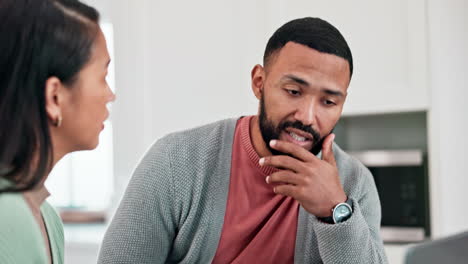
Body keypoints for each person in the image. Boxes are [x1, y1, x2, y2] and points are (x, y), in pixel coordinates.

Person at [99, 17, 387, 263]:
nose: (308, 117)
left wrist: (335, 211)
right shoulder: (175, 162)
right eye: (293, 92)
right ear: (259, 83)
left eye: (328, 101)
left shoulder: (354, 185)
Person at [0, 0, 115, 263]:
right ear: (54, 96)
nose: (110, 95)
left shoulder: (47, 218)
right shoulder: (8, 215)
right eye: (102, 76)